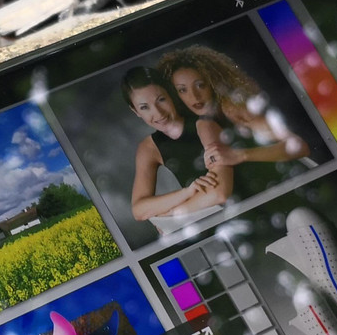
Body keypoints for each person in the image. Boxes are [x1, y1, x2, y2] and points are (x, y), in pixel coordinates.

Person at [159, 46, 311, 181]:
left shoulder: (231, 106)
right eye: (182, 90)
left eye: (200, 85)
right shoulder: (219, 114)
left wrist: (240, 155)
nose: (194, 96)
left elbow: (300, 144)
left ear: (212, 80)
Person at [122, 65, 231, 226]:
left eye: (161, 100)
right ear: (135, 111)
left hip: (240, 213)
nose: (158, 113)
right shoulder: (149, 148)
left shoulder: (204, 125)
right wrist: (186, 192)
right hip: (205, 224)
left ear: (170, 94)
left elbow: (219, 194)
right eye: (144, 107)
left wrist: (170, 214)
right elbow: (139, 210)